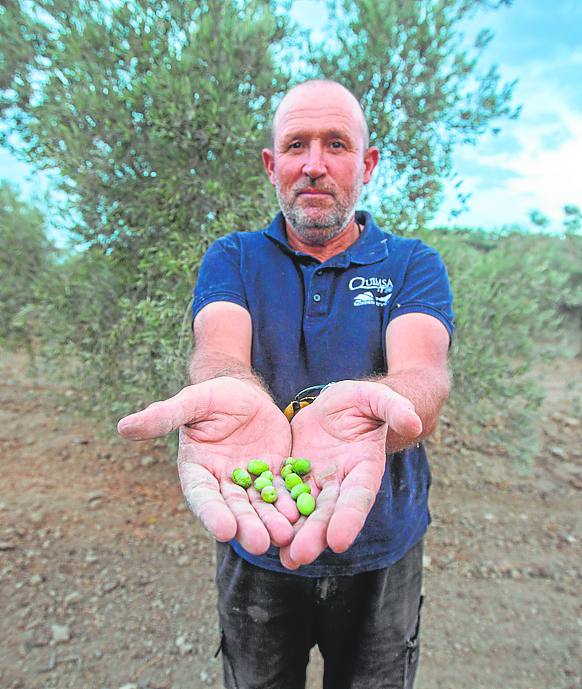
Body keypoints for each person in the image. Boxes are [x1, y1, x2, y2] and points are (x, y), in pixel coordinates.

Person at [118, 79, 454, 689]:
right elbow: (218, 349)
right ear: (273, 165)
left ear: (368, 164)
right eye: (297, 145)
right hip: (259, 549)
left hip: (383, 544)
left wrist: (385, 410)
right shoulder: (234, 258)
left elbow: (423, 373)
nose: (315, 165)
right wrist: (231, 391)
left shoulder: (413, 264)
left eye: (337, 144)